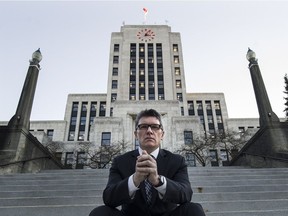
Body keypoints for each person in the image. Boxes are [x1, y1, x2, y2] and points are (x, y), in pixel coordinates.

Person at [89, 109, 206, 216]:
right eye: (144, 126)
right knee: (99, 212)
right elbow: (109, 198)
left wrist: (158, 181)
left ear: (162, 135)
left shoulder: (177, 161)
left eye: (155, 127)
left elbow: (186, 194)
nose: (149, 131)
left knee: (193, 209)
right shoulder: (120, 161)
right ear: (136, 134)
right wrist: (134, 180)